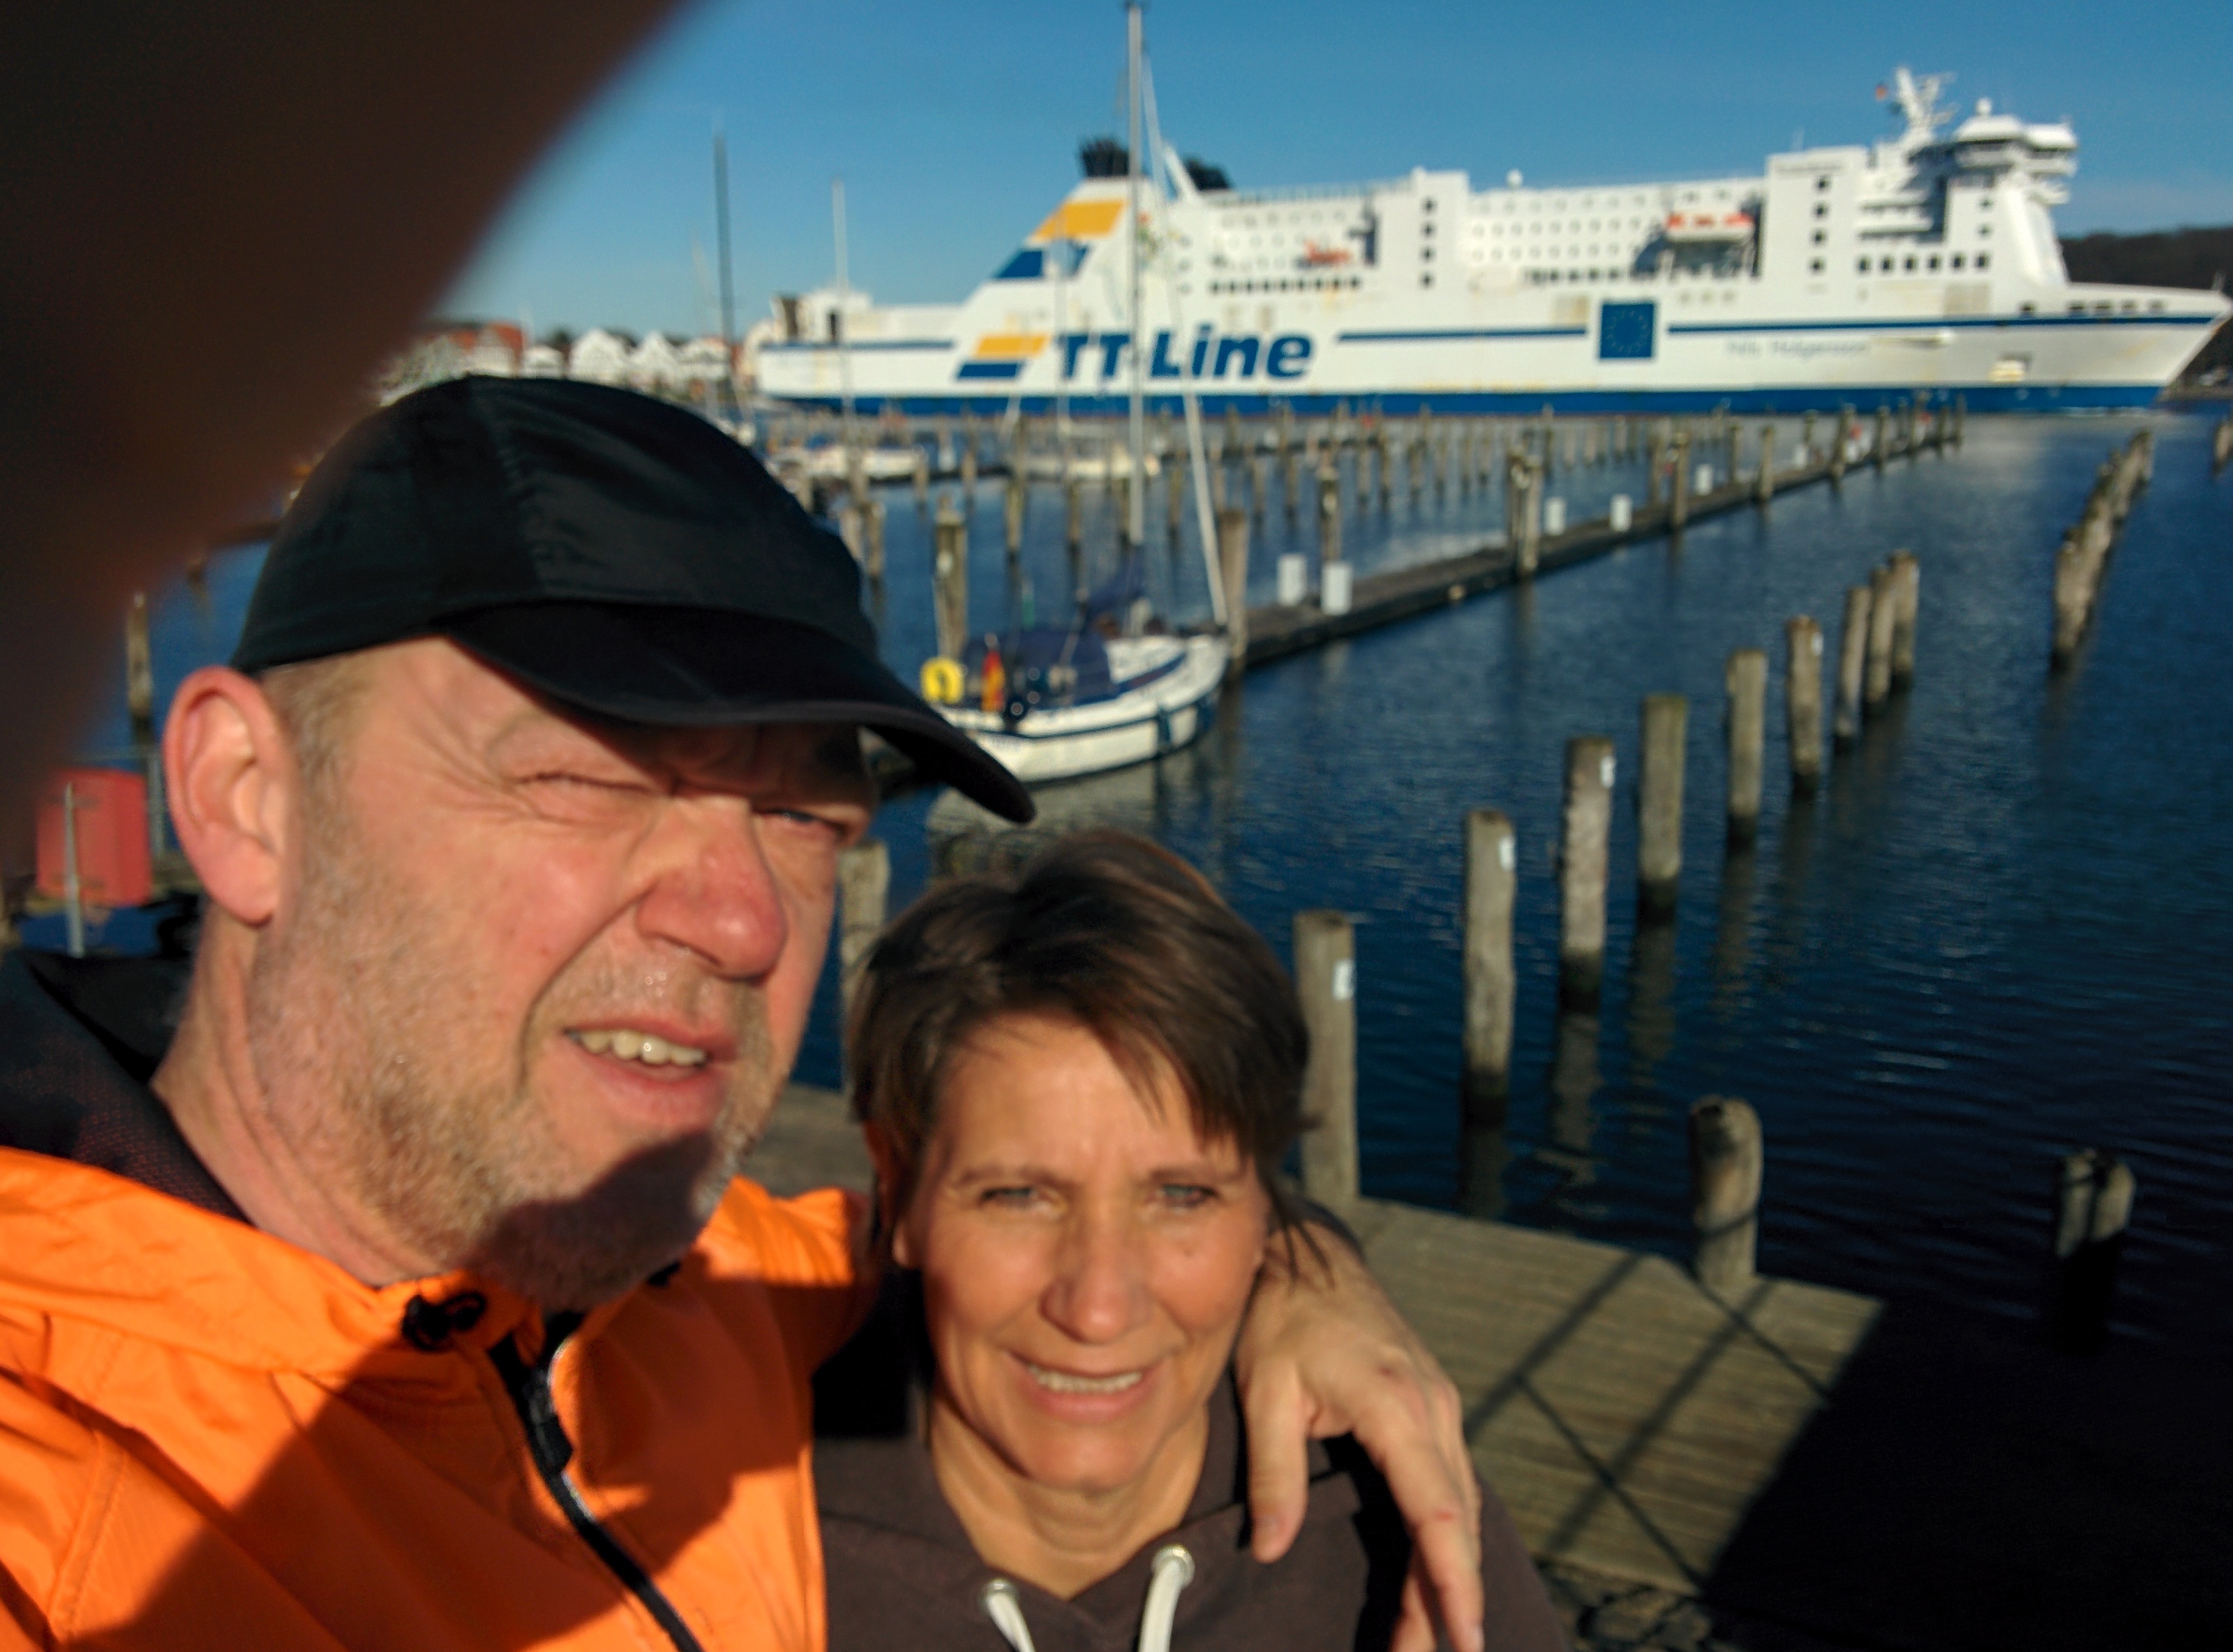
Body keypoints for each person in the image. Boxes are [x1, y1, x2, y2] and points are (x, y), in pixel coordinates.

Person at [0, 378, 1486, 1652]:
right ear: (246, 801)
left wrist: (1295, 1261)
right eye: (586, 777)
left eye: (800, 817)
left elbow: (1037, 1231)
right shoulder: (58, 1504)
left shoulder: (700, 1285)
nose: (746, 919)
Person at [816, 832, 1563, 1652]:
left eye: (1181, 1196)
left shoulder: (1395, 1519)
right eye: (1018, 1196)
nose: (1099, 1309)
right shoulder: (753, 1527)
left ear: (1262, 1212)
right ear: (899, 1187)